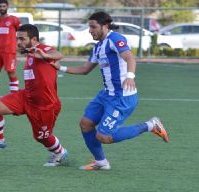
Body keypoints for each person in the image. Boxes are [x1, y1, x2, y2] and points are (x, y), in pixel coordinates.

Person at [51, 11, 169, 170]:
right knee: (85, 124)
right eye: (89, 27)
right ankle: (101, 162)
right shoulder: (98, 47)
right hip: (106, 94)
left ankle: (150, 125)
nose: (90, 31)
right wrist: (60, 68)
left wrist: (130, 76)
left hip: (122, 97)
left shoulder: (115, 39)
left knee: (104, 136)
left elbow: (129, 57)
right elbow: (85, 69)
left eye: (93, 27)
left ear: (105, 26)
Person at [0, 24, 68, 167]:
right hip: (26, 96)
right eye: (17, 39)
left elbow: (59, 54)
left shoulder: (42, 49)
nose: (18, 42)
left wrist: (45, 56)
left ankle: (60, 152)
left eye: (22, 39)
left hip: (45, 105)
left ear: (34, 39)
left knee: (41, 137)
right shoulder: (30, 53)